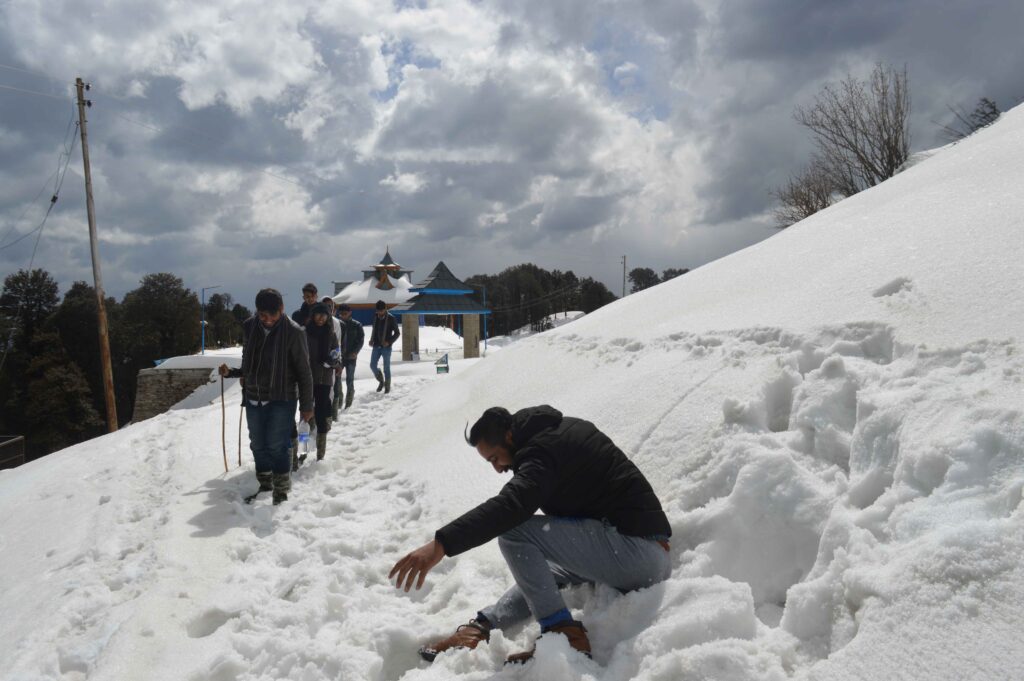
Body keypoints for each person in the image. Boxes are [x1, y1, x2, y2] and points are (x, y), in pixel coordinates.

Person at [388, 405, 672, 664]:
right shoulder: (552, 435)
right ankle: (481, 627)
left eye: (495, 458)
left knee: (514, 531)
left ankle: (564, 636)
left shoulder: (543, 452)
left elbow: (511, 507)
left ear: (509, 436)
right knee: (542, 573)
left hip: (637, 553)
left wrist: (441, 544)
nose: (498, 467)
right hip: (629, 550)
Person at [219, 288, 313, 505]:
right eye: (263, 315)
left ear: (281, 309)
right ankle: (265, 487)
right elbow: (248, 361)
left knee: (277, 445)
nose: (268, 320)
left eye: (273, 315)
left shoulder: (294, 332)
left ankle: (281, 493)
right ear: (257, 311)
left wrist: (307, 406)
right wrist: (233, 373)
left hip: (282, 397)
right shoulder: (250, 326)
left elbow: (304, 373)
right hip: (253, 396)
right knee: (258, 444)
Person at [305, 302, 339, 461]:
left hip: (324, 379)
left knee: (322, 414)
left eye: (324, 315)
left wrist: (332, 362)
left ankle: (320, 454)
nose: (321, 318)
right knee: (304, 416)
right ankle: (303, 450)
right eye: (318, 314)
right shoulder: (304, 333)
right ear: (312, 316)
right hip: (306, 379)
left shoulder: (331, 334)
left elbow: (337, 356)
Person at [336, 303, 365, 409]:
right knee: (337, 379)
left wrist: (355, 352)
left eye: (345, 313)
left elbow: (361, 340)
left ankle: (349, 402)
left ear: (350, 313)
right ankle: (339, 399)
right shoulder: (337, 324)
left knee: (350, 380)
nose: (343, 315)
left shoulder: (357, 325)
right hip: (339, 357)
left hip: (351, 357)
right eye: (341, 313)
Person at [369, 299, 399, 394]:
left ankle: (387, 386)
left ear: (385, 309)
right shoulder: (375, 317)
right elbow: (374, 329)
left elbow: (397, 333)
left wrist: (389, 342)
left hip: (386, 347)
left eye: (381, 310)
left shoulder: (391, 318)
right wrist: (371, 339)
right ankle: (381, 381)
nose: (380, 313)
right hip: (376, 345)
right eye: (378, 311)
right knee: (372, 365)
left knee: (386, 367)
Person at [322, 296, 344, 419]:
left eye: (330, 306)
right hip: (315, 364)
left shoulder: (335, 323)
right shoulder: (314, 320)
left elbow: (338, 344)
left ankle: (327, 418)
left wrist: (337, 362)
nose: (328, 309)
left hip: (330, 363)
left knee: (329, 390)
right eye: (325, 306)